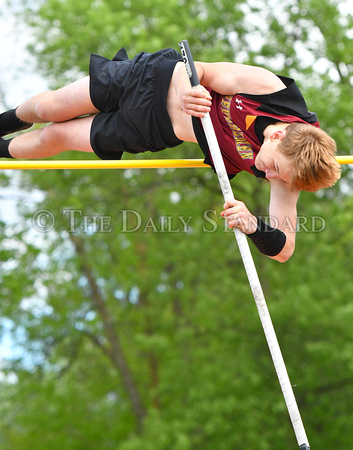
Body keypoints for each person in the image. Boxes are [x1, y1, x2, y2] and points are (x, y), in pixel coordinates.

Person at [0, 47, 341, 262]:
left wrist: (253, 225)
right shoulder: (269, 91)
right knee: (50, 107)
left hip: (152, 128)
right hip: (150, 80)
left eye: (281, 178)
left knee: (57, 137)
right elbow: (201, 70)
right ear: (279, 135)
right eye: (277, 169)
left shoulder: (290, 174)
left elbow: (284, 250)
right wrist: (189, 93)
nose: (272, 178)